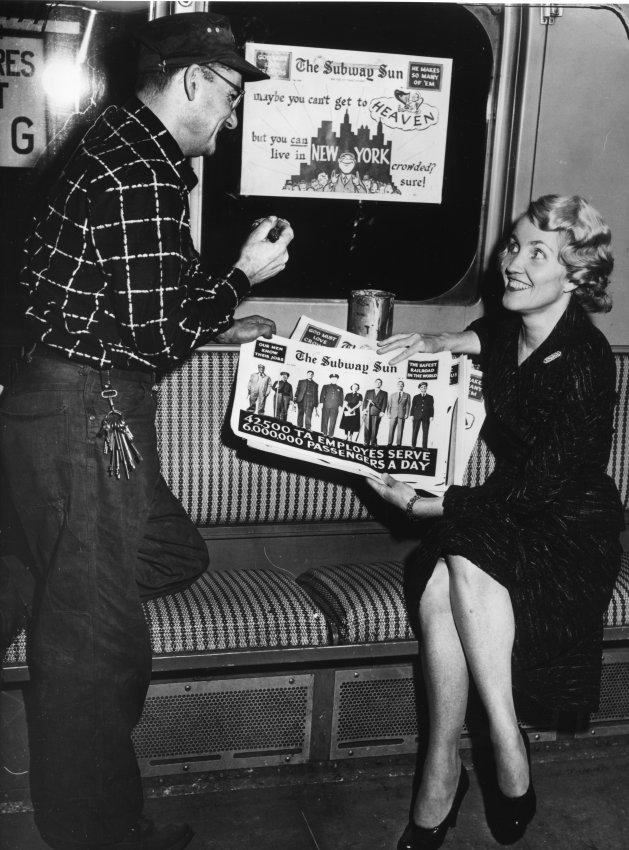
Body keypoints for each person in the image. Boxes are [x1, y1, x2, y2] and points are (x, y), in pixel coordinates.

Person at [0, 12, 294, 850]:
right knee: (99, 651)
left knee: (168, 552)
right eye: (231, 94)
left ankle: (48, 586)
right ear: (195, 80)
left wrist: (219, 322)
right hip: (86, 419)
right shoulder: (139, 169)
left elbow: (122, 310)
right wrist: (241, 274)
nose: (232, 115)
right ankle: (102, 835)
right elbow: (153, 334)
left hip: (63, 408)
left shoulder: (113, 145)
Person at [367, 195, 624, 850]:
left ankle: (485, 754)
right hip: (512, 508)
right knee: (446, 565)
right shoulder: (511, 327)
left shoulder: (587, 361)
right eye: (512, 245)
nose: (513, 262)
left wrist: (436, 503)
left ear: (575, 275)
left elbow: (542, 487)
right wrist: (444, 338)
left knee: (456, 544)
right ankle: (458, 763)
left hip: (569, 527)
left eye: (538, 253)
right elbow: (491, 336)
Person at [362, 377, 388, 445]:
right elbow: (364, 401)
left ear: (381, 384)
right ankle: (366, 441)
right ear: (374, 383)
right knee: (367, 427)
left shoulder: (384, 393)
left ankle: (373, 442)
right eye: (376, 382)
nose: (378, 384)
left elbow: (384, 403)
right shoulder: (368, 391)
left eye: (379, 383)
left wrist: (382, 411)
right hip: (368, 412)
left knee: (375, 428)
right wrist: (364, 409)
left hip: (377, 412)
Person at [410, 382, 435, 449]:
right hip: (416, 416)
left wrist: (431, 416)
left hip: (426, 416)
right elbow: (413, 407)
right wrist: (412, 415)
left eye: (424, 387)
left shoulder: (430, 397)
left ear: (426, 388)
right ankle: (413, 445)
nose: (423, 388)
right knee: (415, 431)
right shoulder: (416, 397)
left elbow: (431, 407)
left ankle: (424, 446)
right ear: (419, 388)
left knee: (425, 432)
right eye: (421, 387)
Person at [387, 380, 411, 445]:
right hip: (393, 414)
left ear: (403, 386)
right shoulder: (392, 395)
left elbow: (408, 405)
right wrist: (388, 413)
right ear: (397, 386)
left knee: (400, 430)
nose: (400, 386)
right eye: (399, 384)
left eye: (402, 384)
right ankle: (389, 443)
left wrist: (406, 414)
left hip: (402, 414)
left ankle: (398, 444)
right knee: (391, 429)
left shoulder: (407, 395)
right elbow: (389, 405)